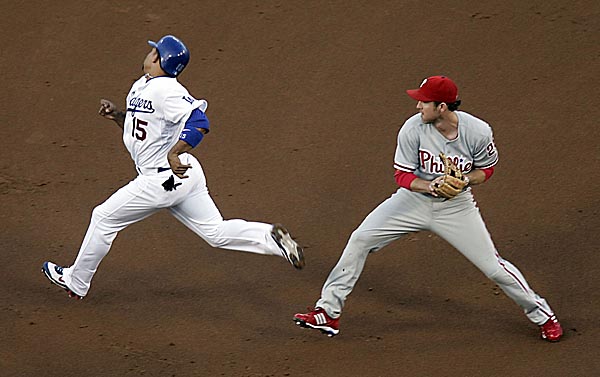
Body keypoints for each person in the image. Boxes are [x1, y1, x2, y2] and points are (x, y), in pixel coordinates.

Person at [293, 76, 562, 342]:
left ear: (442, 107)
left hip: (456, 208)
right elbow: (402, 176)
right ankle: (328, 311)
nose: (418, 107)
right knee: (360, 239)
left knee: (494, 268)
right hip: (412, 201)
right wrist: (431, 186)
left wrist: (465, 181)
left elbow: (487, 169)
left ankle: (543, 315)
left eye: (423, 102)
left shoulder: (478, 131)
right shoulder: (412, 129)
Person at [42, 35, 304, 300]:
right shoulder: (144, 85)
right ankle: (271, 238)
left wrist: (176, 152)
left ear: (158, 58)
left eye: (153, 50)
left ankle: (77, 281)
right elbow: (146, 128)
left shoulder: (168, 91)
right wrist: (118, 116)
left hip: (162, 179)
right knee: (215, 231)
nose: (149, 53)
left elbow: (200, 121)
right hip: (186, 175)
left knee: (103, 218)